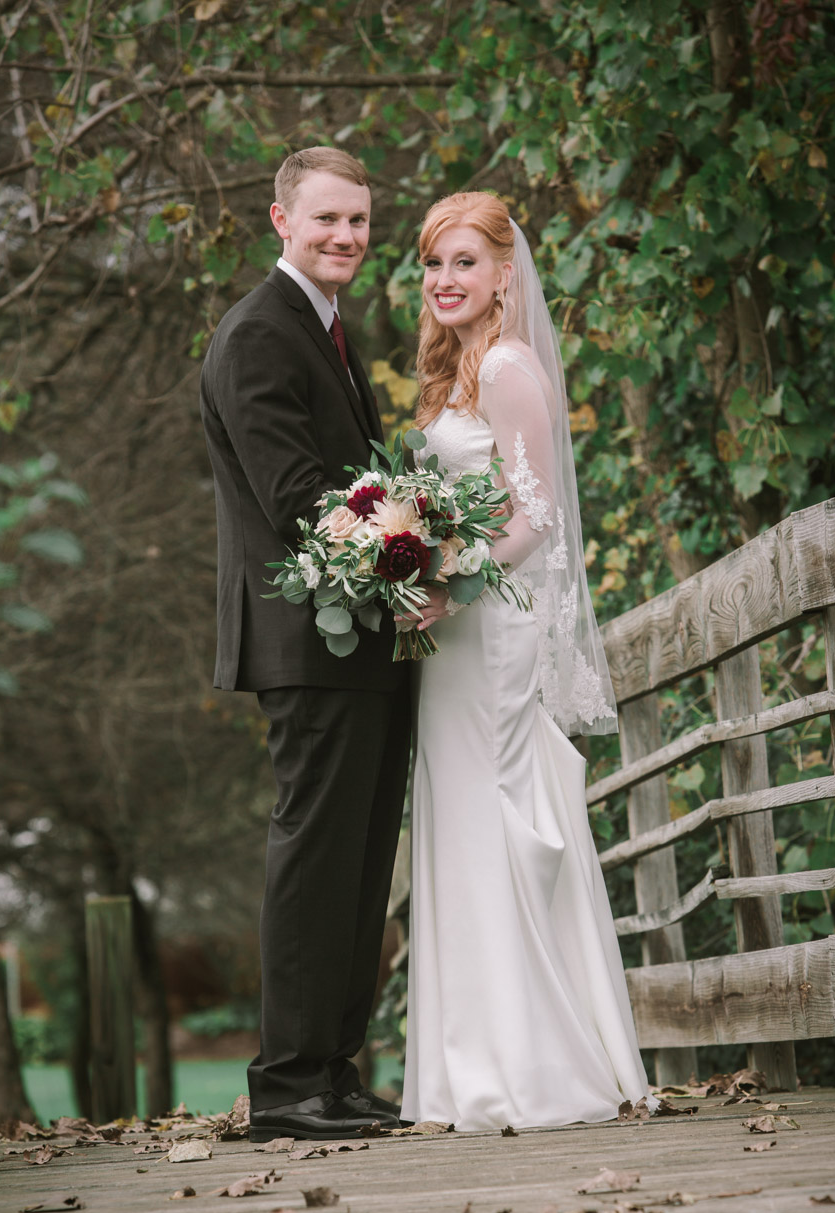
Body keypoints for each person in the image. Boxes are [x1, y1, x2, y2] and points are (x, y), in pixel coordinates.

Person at [400, 192, 659, 1131]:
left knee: (496, 812)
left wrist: (453, 586)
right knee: (460, 815)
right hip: (450, 633)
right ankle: (468, 1064)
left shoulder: (508, 368)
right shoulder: (456, 371)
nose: (444, 280)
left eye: (464, 262)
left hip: (492, 626)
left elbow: (535, 515)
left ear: (507, 273)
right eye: (433, 264)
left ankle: (527, 1062)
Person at [199, 148, 411, 1142]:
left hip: (361, 643)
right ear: (279, 220)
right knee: (314, 859)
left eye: (359, 222)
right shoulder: (256, 335)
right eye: (327, 219)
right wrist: (411, 554)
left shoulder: (330, 328)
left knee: (360, 865)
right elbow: (295, 502)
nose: (345, 238)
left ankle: (332, 1069)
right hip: (306, 640)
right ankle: (287, 1087)